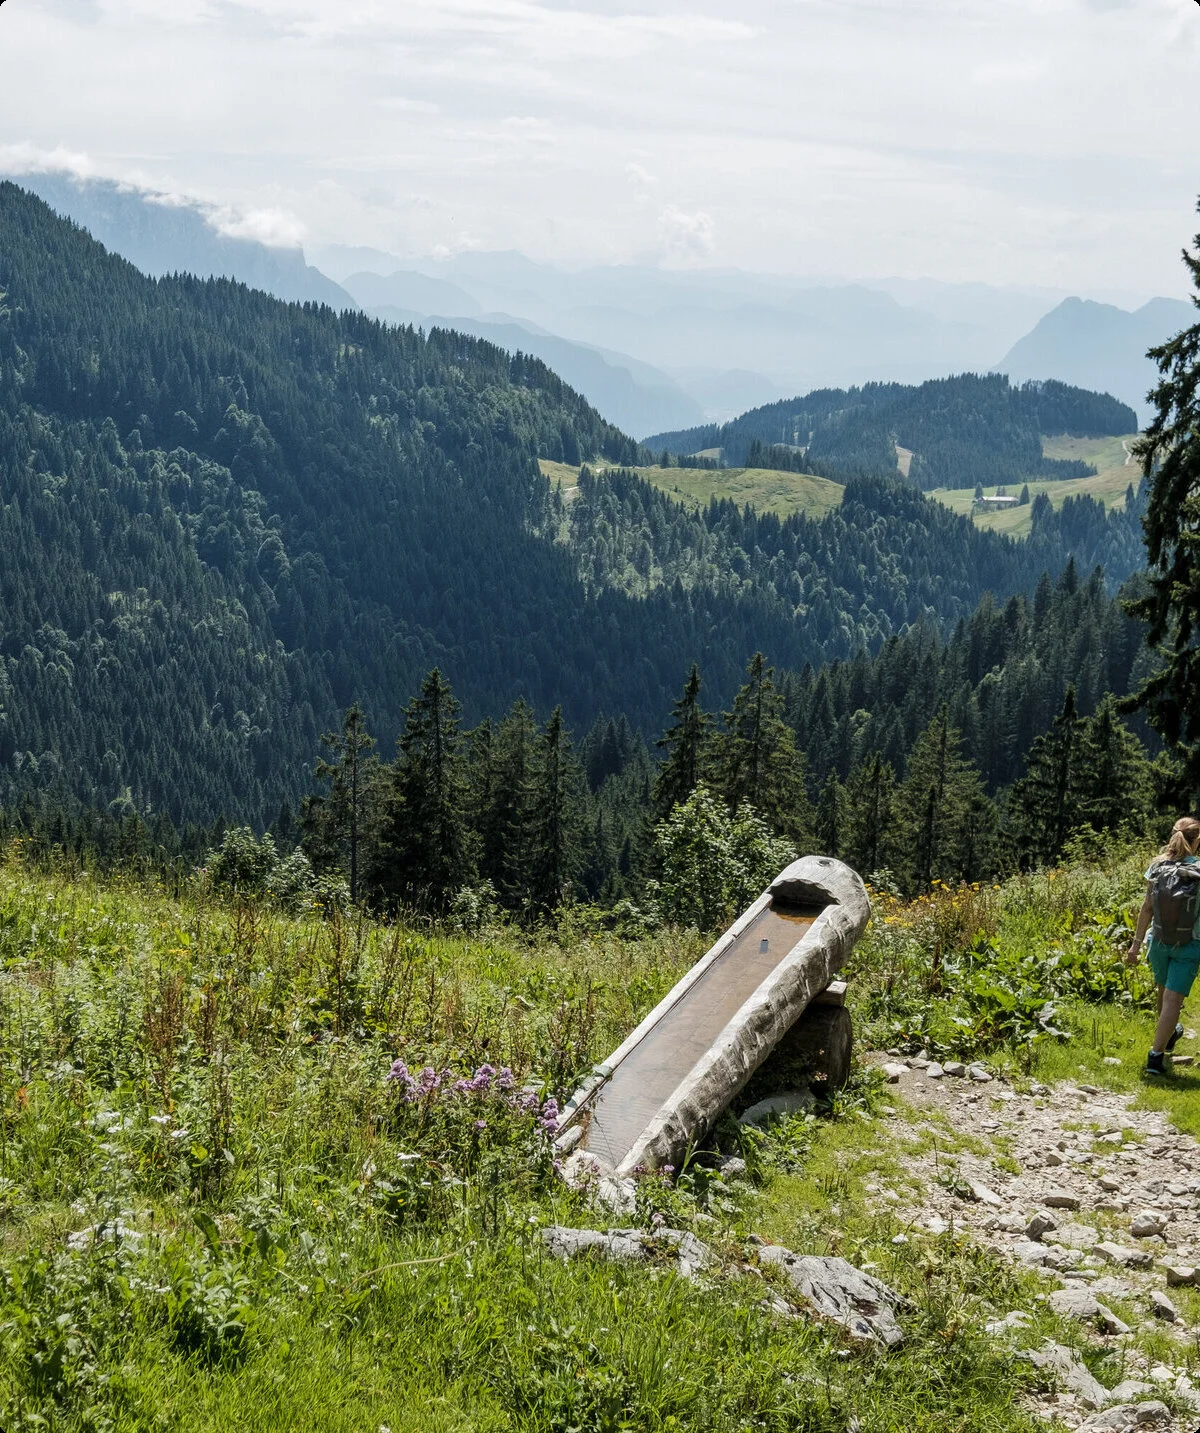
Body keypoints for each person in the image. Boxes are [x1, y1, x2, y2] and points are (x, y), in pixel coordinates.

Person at [1125, 816, 1200, 1075]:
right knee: (1171, 999)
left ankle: (1169, 1035)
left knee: (1163, 992)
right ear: (1197, 839)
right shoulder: (1199, 869)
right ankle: (1155, 1057)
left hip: (1157, 941)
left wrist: (1135, 946)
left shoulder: (1157, 866)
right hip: (1189, 944)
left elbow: (1147, 908)